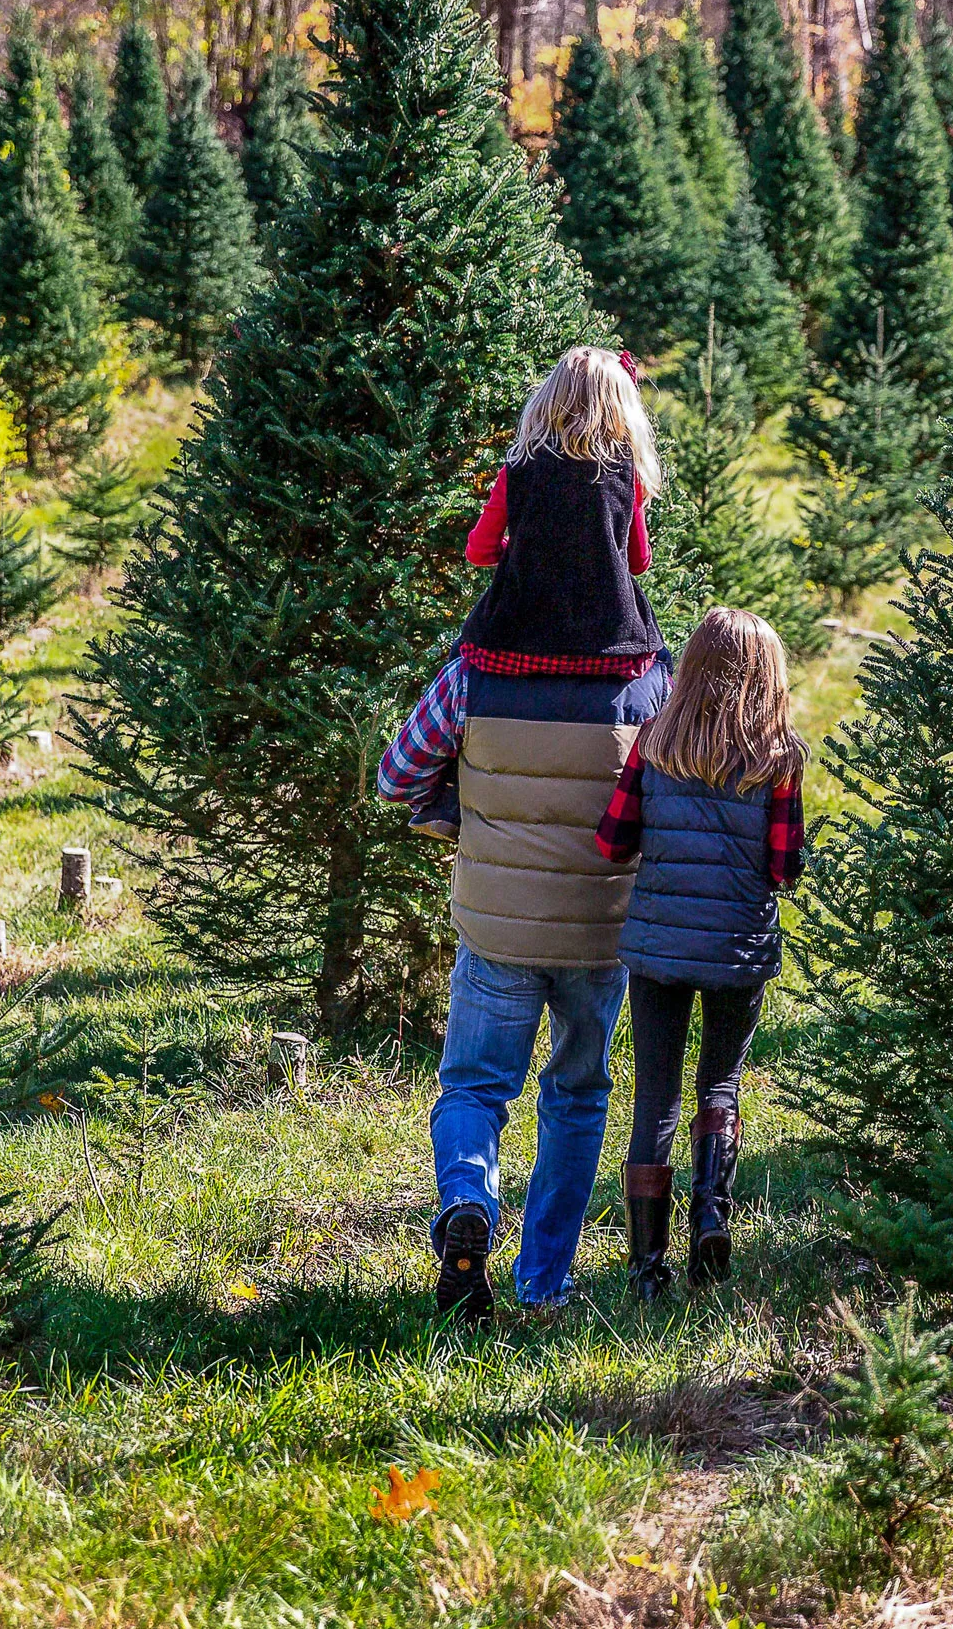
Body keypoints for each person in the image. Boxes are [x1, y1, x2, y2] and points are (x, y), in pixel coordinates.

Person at [377, 346, 670, 1322]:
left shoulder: (477, 668)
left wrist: (450, 805)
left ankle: (467, 1202)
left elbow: (396, 770)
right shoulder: (646, 681)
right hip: (600, 929)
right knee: (578, 1096)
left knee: (473, 1082)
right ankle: (546, 1282)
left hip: (497, 925)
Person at [593, 608, 806, 1297]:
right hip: (738, 948)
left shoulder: (654, 740)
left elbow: (612, 840)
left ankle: (646, 1269)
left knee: (653, 1096)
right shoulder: (779, 758)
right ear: (767, 678)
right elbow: (782, 868)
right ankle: (711, 1212)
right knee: (720, 1084)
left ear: (691, 669)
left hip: (656, 947)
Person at [404, 346, 665, 839]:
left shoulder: (519, 467)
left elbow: (479, 551)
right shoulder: (624, 473)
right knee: (663, 665)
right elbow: (638, 562)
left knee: (462, 665)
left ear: (549, 399)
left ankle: (444, 798)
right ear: (621, 406)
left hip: (514, 642)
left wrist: (520, 548)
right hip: (609, 648)